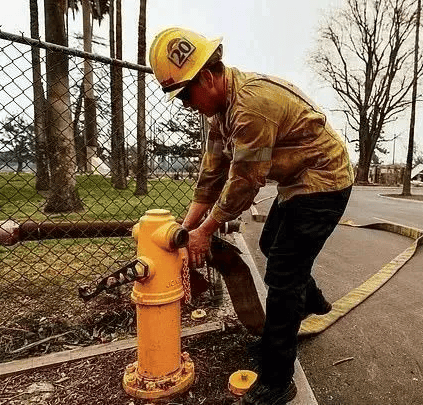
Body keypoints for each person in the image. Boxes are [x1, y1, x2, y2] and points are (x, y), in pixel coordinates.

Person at [149, 27, 354, 404]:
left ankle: (278, 380)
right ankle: (310, 302)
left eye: (186, 96)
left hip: (324, 180)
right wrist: (187, 226)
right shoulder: (218, 115)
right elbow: (211, 177)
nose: (185, 105)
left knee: (283, 276)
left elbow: (244, 182)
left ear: (207, 77)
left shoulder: (250, 107)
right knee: (269, 244)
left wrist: (206, 231)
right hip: (296, 180)